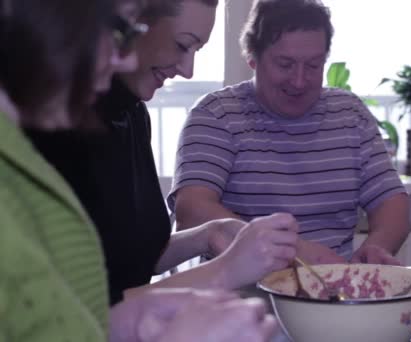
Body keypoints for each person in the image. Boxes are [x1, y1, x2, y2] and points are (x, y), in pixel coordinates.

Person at [1, 0, 279, 340]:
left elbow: (113, 265)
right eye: (121, 28)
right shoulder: (50, 130)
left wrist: (210, 233)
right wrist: (221, 273)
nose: (126, 55)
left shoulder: (131, 114)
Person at [169, 0, 409, 266]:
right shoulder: (216, 115)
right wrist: (291, 250)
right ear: (252, 58)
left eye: (314, 66)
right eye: (285, 64)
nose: (299, 80)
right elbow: (191, 212)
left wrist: (375, 249)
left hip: (332, 296)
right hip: (238, 297)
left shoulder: (350, 115)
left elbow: (392, 205)